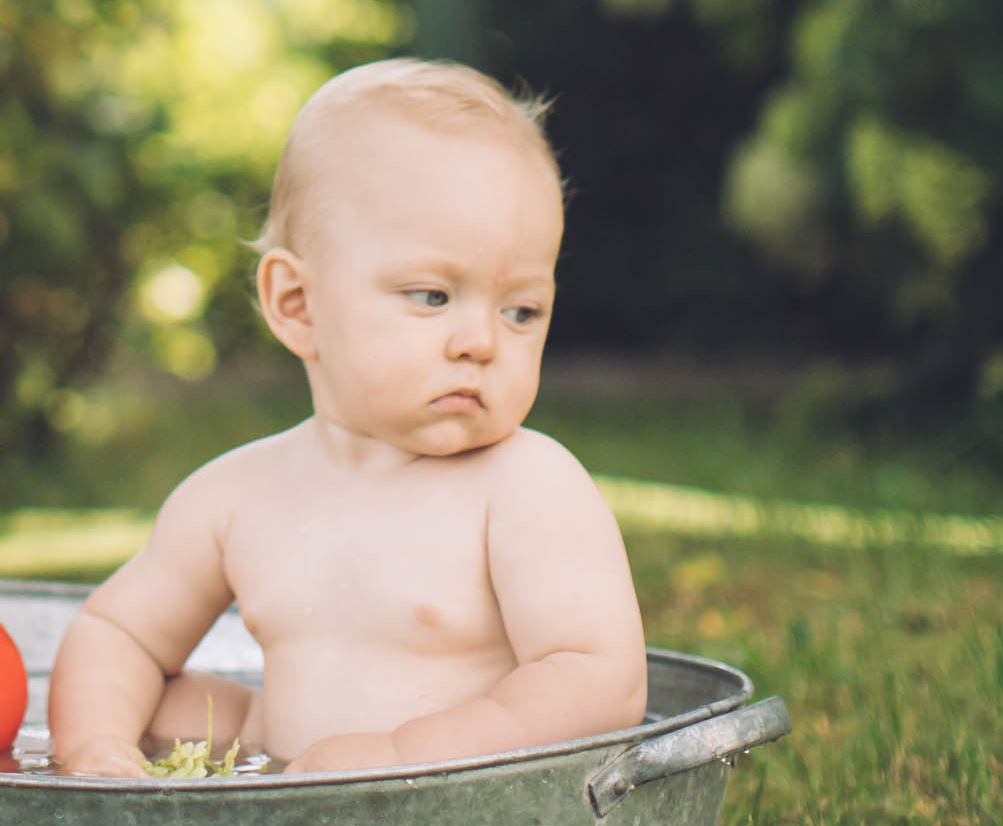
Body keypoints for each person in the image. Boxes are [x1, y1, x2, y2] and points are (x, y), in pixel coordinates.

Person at [46, 59, 648, 777]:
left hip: (456, 813)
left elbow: (600, 681)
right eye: (431, 296)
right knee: (155, 704)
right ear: (297, 306)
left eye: (521, 310)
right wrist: (97, 750)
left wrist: (404, 754)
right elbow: (119, 632)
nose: (481, 341)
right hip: (285, 780)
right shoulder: (237, 497)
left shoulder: (525, 487)